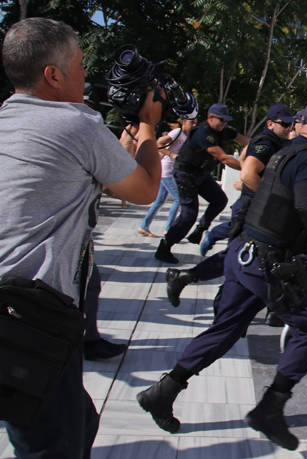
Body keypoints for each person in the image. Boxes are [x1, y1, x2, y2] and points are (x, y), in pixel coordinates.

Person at [136, 100, 307, 449]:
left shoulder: (292, 152)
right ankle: (270, 409)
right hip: (267, 261)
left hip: (243, 253)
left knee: (226, 330)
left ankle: (164, 391)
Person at [0, 17, 162, 458]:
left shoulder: (8, 119)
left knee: (73, 419)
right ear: (52, 75)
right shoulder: (76, 124)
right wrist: (148, 124)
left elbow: (110, 175)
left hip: (19, 309)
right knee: (54, 444)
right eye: (80, 64)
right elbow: (144, 190)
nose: (87, 74)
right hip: (33, 315)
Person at [165, 104, 293, 308]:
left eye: (292, 124)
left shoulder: (276, 142)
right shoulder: (264, 143)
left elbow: (244, 144)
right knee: (236, 255)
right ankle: (203, 285)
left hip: (246, 200)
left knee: (242, 254)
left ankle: (192, 278)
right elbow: (242, 167)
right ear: (270, 124)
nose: (289, 127)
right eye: (285, 124)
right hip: (244, 203)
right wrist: (267, 197)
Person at [154, 103, 249, 264]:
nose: (224, 124)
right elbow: (224, 158)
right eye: (221, 120)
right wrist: (249, 169)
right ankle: (164, 247)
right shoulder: (203, 133)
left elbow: (245, 139)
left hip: (200, 173)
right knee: (188, 214)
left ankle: (200, 230)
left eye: (226, 121)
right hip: (185, 173)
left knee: (219, 200)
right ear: (210, 118)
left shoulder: (222, 130)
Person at [138, 118, 197, 237]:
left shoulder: (186, 135)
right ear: (184, 122)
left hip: (169, 171)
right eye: (192, 122)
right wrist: (171, 154)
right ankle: (169, 229)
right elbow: (159, 142)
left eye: (196, 122)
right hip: (167, 171)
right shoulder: (177, 133)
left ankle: (144, 226)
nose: (195, 124)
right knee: (178, 199)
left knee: (159, 200)